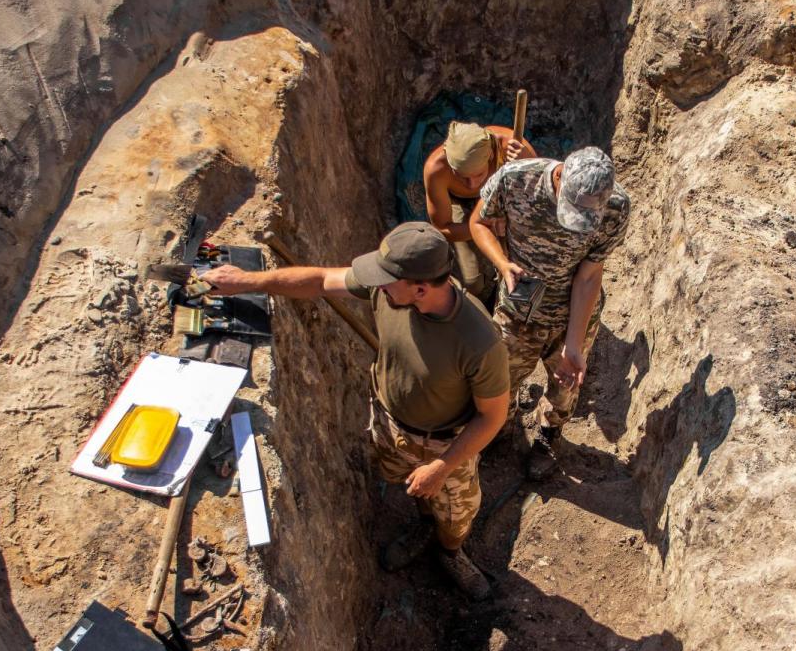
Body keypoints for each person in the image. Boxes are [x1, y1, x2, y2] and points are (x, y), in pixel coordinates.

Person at [201, 221, 508, 599]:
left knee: (456, 514)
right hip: (388, 421)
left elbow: (492, 416)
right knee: (409, 485)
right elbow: (319, 280)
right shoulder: (390, 288)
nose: (376, 285)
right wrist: (247, 281)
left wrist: (441, 468)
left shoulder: (480, 342)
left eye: (386, 280)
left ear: (421, 288)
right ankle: (425, 522)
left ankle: (451, 551)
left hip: (446, 446)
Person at [468, 147, 630, 480]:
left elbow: (589, 275)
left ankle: (548, 435)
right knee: (501, 380)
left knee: (566, 385)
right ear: (559, 176)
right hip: (516, 311)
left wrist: (573, 344)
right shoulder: (515, 179)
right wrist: (502, 263)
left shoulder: (615, 206)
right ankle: (500, 430)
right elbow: (479, 222)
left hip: (573, 313)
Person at [423, 121, 534, 301]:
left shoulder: (511, 148)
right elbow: (442, 228)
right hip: (461, 202)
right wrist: (484, 227)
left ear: (491, 156)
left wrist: (528, 163)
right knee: (472, 282)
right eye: (462, 177)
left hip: (501, 195)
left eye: (479, 174)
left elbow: (537, 193)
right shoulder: (436, 169)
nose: (472, 185)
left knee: (527, 264)